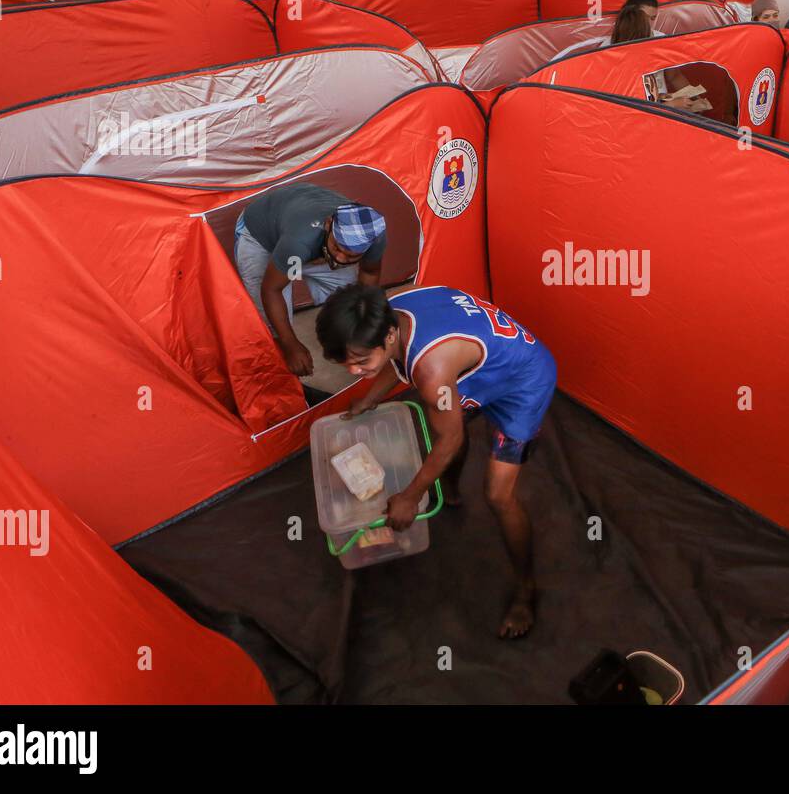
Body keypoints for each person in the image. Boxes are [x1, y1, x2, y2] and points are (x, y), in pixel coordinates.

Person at [317, 283, 557, 639]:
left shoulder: (431, 371)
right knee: (444, 422)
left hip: (524, 382)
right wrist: (371, 397)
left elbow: (452, 438)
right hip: (484, 366)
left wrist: (410, 496)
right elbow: (392, 360)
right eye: (346, 363)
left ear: (390, 335)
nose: (353, 371)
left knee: (498, 495)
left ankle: (526, 590)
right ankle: (452, 492)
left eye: (361, 362)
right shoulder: (388, 311)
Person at [236, 184, 386, 376]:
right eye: (338, 248)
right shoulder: (300, 242)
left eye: (350, 256)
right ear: (328, 224)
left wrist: (367, 326)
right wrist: (290, 344)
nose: (340, 259)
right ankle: (279, 376)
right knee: (268, 324)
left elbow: (370, 274)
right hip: (262, 237)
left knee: (349, 301)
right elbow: (271, 290)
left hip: (304, 226)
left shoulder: (374, 235)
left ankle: (343, 341)